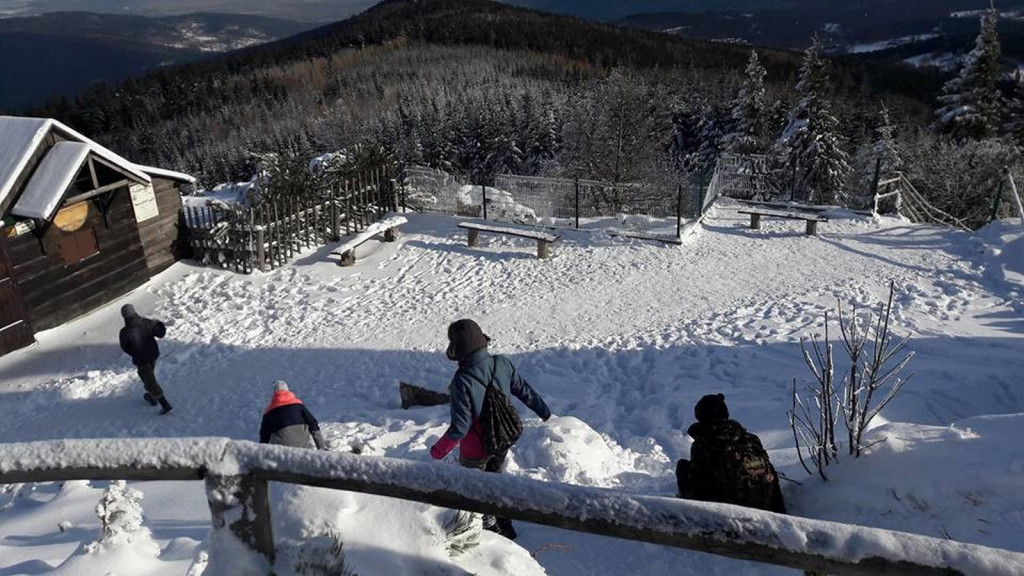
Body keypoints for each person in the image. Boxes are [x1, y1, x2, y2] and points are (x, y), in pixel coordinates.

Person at [429, 319, 552, 540]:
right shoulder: (501, 363)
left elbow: (460, 428)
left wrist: (437, 451)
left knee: (476, 491)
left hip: (475, 450)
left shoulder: (462, 382)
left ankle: (491, 532)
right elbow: (524, 390)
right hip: (502, 438)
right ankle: (505, 523)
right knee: (495, 479)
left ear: (457, 349)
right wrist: (544, 411)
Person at [676, 393, 786, 513]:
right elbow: (770, 472)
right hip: (761, 505)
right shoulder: (751, 438)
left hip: (725, 510)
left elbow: (696, 483)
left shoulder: (705, 443)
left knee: (683, 467)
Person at [118, 304, 172, 415]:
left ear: (124, 316)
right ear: (134, 311)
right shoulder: (147, 322)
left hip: (141, 359)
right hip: (153, 354)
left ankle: (164, 403)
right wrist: (158, 323)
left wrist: (134, 353)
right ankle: (151, 396)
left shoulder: (124, 332)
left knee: (149, 380)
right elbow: (160, 334)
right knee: (149, 377)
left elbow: (125, 347)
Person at [259, 380, 328, 450]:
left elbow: (264, 433)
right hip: (302, 443)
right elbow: (313, 422)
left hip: (282, 447)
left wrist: (263, 451)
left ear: (274, 393)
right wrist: (321, 446)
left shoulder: (269, 411)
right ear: (288, 391)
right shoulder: (298, 405)